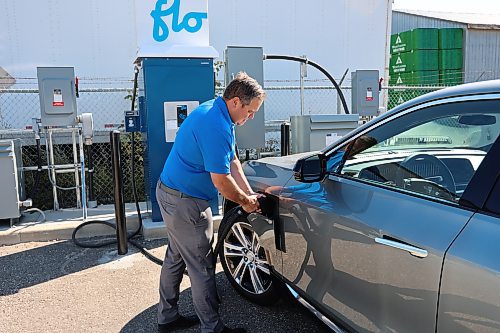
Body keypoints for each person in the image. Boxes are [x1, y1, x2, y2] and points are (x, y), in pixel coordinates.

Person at [156, 72, 265, 333]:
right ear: (236, 101)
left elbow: (233, 161)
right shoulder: (215, 124)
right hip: (186, 203)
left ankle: (167, 317)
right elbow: (221, 181)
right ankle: (212, 328)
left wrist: (250, 195)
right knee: (201, 266)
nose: (250, 118)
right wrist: (245, 202)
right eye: (250, 111)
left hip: (172, 195)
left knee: (175, 257)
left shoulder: (219, 114)